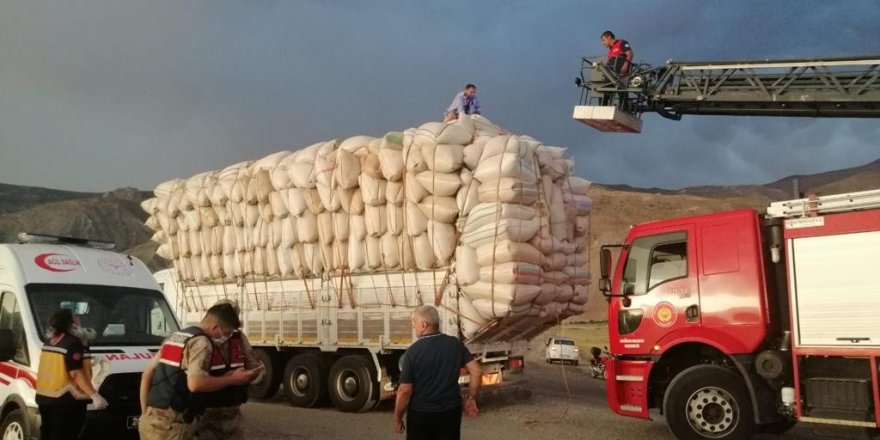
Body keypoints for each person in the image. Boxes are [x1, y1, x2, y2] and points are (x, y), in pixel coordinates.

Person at [138, 303, 259, 440]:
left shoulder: (176, 337)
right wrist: (233, 379)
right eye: (226, 333)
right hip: (173, 427)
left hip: (150, 421)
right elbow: (195, 384)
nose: (226, 337)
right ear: (215, 328)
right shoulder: (202, 342)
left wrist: (144, 413)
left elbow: (147, 374)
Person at [392, 305, 482, 440]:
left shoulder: (413, 352)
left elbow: (405, 391)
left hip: (421, 415)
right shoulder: (455, 344)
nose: (413, 326)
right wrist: (471, 398)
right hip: (450, 413)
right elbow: (477, 372)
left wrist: (397, 417)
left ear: (423, 324)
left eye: (414, 322)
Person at [193, 299, 263, 440]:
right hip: (205, 412)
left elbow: (253, 364)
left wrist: (254, 373)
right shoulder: (200, 339)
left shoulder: (239, 338)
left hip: (232, 412)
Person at [36, 308, 109, 440]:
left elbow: (58, 367)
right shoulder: (72, 343)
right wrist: (94, 395)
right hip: (66, 401)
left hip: (45, 398)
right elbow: (75, 372)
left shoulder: (50, 342)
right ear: (70, 323)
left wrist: (86, 351)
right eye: (75, 317)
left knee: (48, 435)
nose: (79, 319)